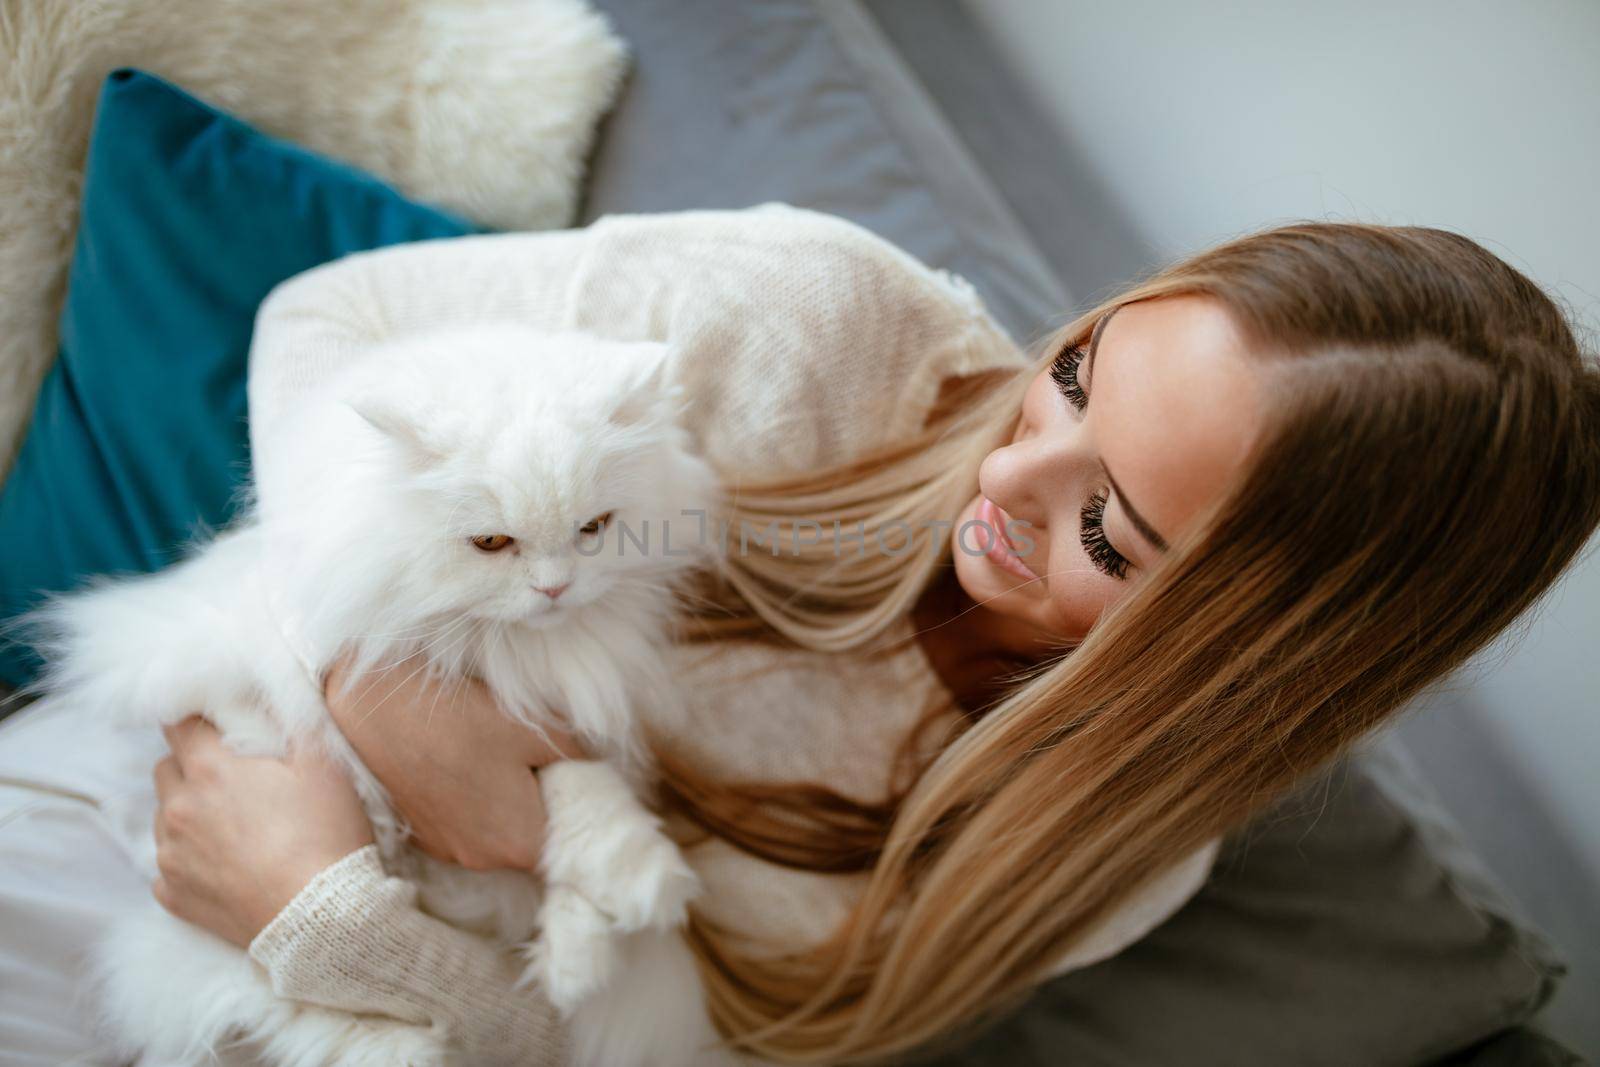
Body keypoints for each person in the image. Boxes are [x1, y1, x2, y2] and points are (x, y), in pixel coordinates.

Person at [2, 203, 1597, 1066]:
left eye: (1110, 530)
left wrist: (350, 931)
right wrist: (379, 674)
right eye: (1074, 378)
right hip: (165, 792)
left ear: (1247, 656)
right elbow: (331, 328)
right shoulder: (815, 318)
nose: (1001, 482)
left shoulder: (1096, 862)